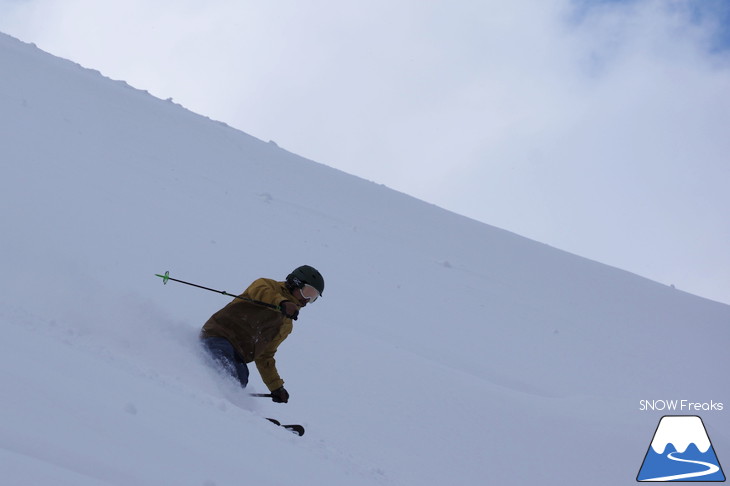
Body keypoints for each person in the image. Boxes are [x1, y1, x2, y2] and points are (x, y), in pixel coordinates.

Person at [200, 265, 324, 403]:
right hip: (218, 335)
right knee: (226, 368)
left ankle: (232, 407)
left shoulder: (286, 324)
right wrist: (282, 302)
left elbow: (265, 355)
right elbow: (259, 290)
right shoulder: (268, 286)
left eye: (313, 297)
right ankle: (207, 396)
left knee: (241, 376)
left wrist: (276, 387)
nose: (307, 300)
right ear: (296, 283)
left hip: (240, 354)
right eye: (308, 292)